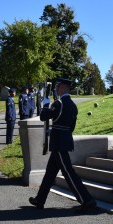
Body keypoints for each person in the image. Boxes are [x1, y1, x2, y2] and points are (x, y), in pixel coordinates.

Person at [29, 78, 97, 213]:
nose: (56, 89)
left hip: (59, 142)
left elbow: (43, 116)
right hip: (64, 139)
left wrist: (45, 105)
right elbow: (71, 126)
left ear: (62, 88)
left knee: (68, 172)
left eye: (57, 87)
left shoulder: (59, 103)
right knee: (50, 173)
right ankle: (40, 200)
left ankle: (86, 200)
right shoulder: (72, 104)